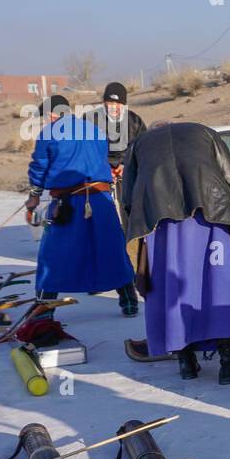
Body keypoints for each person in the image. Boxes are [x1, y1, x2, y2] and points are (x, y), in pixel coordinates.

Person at [120, 122, 230, 384]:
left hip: (160, 224)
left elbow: (128, 197)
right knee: (218, 284)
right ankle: (228, 363)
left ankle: (186, 362)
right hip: (209, 214)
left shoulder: (139, 144)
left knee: (171, 287)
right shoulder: (204, 132)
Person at [24, 94, 134, 318]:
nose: (45, 121)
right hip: (100, 200)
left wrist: (34, 196)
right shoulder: (95, 130)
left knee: (52, 255)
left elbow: (39, 167)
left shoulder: (50, 132)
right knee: (110, 248)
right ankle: (129, 302)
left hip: (69, 203)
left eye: (46, 117)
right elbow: (103, 158)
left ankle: (43, 310)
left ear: (53, 114)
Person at [89, 81, 146, 316]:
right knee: (98, 232)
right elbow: (87, 149)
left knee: (125, 227)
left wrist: (124, 165)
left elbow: (143, 146)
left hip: (126, 180)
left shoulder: (134, 121)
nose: (113, 106)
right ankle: (97, 278)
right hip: (98, 182)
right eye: (109, 101)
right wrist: (104, 168)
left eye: (117, 102)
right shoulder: (92, 121)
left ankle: (131, 276)